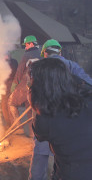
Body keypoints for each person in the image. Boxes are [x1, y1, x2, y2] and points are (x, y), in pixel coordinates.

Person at [28, 39, 92, 180]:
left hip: (70, 173)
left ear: (45, 52)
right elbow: (88, 84)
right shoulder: (86, 102)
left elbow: (39, 133)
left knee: (40, 153)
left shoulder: (45, 119)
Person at [8, 35, 41, 132]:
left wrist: (14, 84)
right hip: (37, 86)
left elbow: (20, 71)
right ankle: (33, 133)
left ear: (31, 44)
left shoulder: (27, 55)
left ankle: (18, 128)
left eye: (26, 45)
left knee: (11, 103)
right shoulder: (41, 54)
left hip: (25, 84)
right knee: (30, 108)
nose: (25, 47)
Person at [1, 52, 18, 128]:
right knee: (7, 104)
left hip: (8, 84)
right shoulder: (13, 62)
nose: (5, 56)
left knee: (6, 104)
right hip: (7, 84)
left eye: (6, 55)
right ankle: (12, 124)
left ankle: (10, 124)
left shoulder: (12, 62)